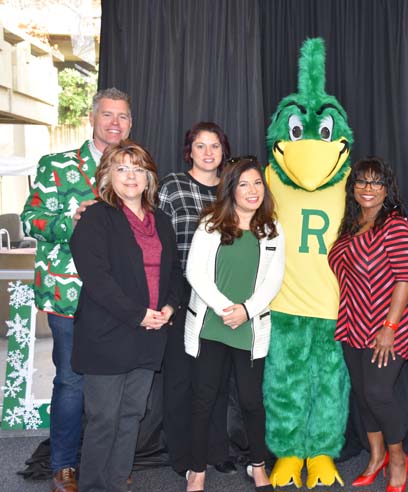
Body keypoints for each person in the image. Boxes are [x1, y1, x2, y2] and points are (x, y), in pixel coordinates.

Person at [21, 87, 132, 492]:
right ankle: (64, 465)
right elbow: (30, 220)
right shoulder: (57, 165)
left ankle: (107, 461)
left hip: (120, 298)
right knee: (71, 381)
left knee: (117, 382)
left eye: (122, 116)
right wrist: (72, 221)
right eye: (107, 115)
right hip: (70, 295)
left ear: (130, 123)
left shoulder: (133, 168)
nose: (115, 123)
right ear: (92, 118)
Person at [70, 140, 181, 492]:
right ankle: (93, 486)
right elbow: (97, 280)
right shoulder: (95, 219)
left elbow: (174, 272)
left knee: (132, 415)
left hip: (149, 334)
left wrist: (169, 307)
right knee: (104, 419)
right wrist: (138, 315)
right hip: (107, 335)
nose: (130, 176)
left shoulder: (161, 220)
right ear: (107, 176)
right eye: (121, 168)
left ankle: (117, 483)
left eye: (138, 169)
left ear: (149, 178)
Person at [184, 157, 285, 492]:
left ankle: (258, 466)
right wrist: (227, 308)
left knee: (252, 402)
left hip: (249, 326)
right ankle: (196, 471)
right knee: (203, 400)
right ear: (231, 189)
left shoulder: (272, 228)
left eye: (257, 183)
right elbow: (194, 272)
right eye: (243, 184)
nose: (252, 190)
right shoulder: (211, 223)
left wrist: (246, 310)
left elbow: (273, 280)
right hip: (212, 324)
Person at [328, 157, 408, 492]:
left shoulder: (395, 225)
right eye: (362, 181)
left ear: (387, 189)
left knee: (378, 392)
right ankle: (375, 455)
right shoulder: (351, 224)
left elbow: (406, 278)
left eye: (376, 182)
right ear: (353, 187)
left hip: (389, 321)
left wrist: (389, 327)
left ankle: (398, 459)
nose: (368, 188)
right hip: (354, 321)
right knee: (362, 393)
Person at [158, 121, 237, 477]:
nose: (208, 153)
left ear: (224, 151)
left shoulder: (232, 189)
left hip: (223, 295)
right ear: (189, 150)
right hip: (183, 291)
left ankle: (215, 449)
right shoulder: (173, 185)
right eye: (200, 146)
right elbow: (159, 239)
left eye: (215, 146)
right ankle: (182, 455)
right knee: (180, 378)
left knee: (216, 378)